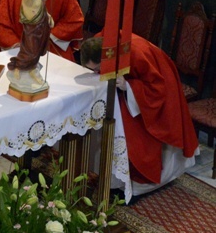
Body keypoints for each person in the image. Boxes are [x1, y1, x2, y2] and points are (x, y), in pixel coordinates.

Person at [80, 34, 199, 187]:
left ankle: (142, 177)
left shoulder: (136, 53)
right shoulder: (100, 43)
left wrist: (127, 85)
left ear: (105, 58)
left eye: (98, 69)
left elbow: (155, 89)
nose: (97, 72)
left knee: (133, 132)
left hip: (160, 86)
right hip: (136, 88)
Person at [0, 0, 83, 63]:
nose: (43, 3)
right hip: (20, 44)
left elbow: (74, 19)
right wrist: (16, 44)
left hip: (50, 44)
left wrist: (48, 36)